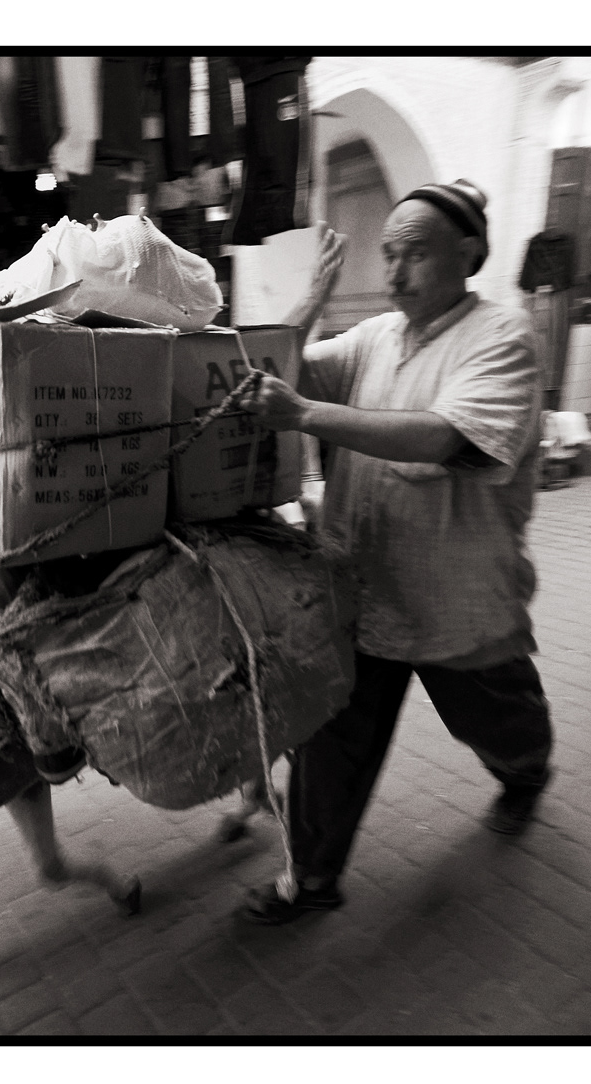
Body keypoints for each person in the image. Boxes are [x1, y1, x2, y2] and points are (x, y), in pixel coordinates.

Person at [235, 180, 555, 925]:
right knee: (329, 734)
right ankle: (309, 876)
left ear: (470, 254)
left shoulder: (502, 336)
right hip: (362, 591)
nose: (396, 270)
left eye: (416, 252)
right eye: (388, 254)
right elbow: (280, 371)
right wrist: (310, 296)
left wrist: (308, 415)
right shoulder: (375, 337)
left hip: (458, 603)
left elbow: (446, 436)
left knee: (497, 719)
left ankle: (526, 768)